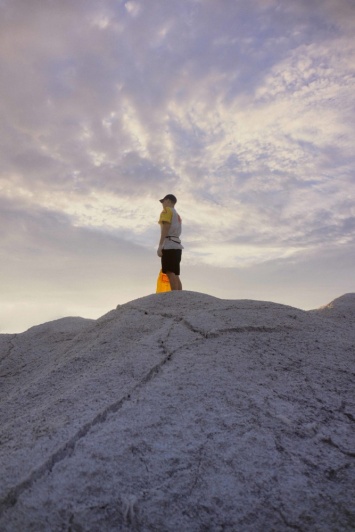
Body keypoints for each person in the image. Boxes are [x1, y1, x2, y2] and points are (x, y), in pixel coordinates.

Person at [157, 194, 183, 290]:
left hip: (169, 244)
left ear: (167, 200)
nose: (162, 204)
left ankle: (174, 297)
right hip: (177, 245)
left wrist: (160, 245)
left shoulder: (167, 211)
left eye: (163, 201)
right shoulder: (177, 215)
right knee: (175, 273)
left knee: (169, 271)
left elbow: (166, 227)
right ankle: (180, 296)